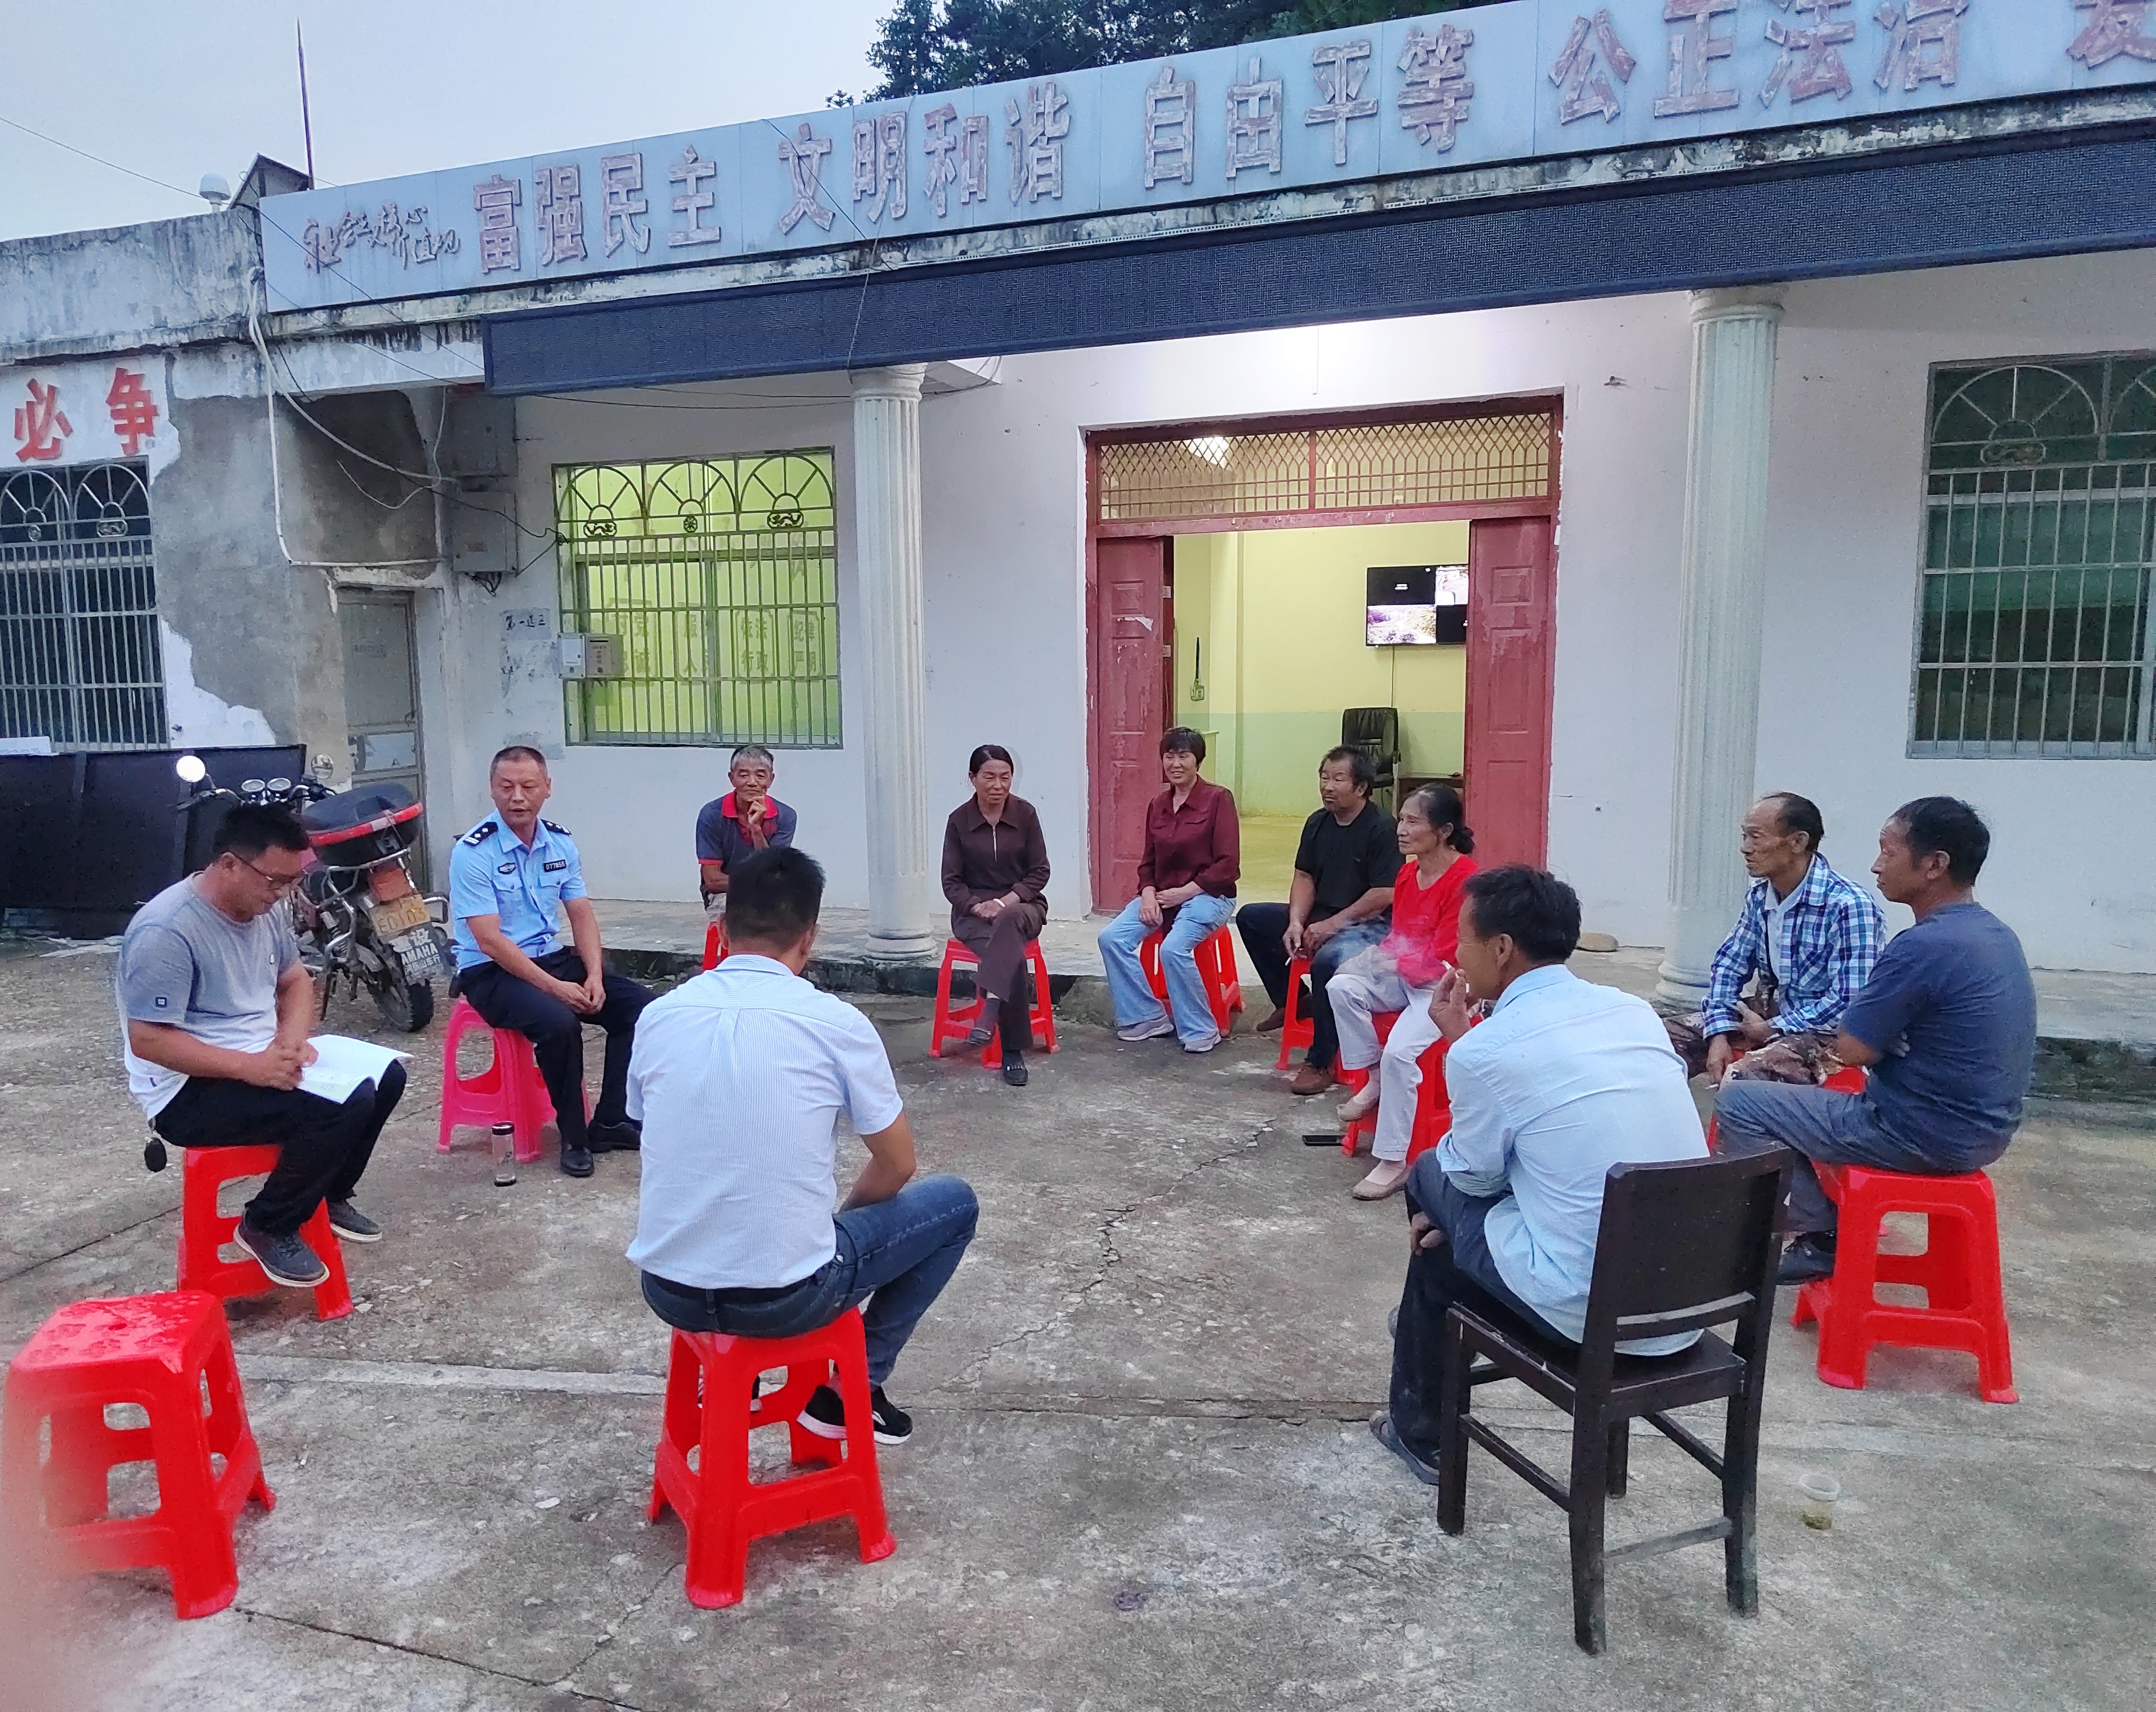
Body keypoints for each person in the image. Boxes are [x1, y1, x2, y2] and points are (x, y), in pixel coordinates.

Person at [627, 847, 980, 1446]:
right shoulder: (835, 1024)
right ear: (810, 938)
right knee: (955, 1204)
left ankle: (739, 1384)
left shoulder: (659, 1016)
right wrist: (833, 1232)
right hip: (786, 1298)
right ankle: (853, 1389)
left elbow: (651, 1128)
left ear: (722, 929)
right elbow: (898, 1164)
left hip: (669, 1289)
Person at [1369, 867, 1707, 1486]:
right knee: (1462, 1221)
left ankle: (1421, 1432)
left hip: (1591, 1314)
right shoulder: (1632, 1011)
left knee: (1429, 1174)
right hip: (1689, 1301)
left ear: (1501, 948)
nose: (1454, 955)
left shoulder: (1486, 1049)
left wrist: (1461, 1044)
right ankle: (1431, 1304)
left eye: (1463, 940)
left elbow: (1472, 1181)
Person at [1716, 798, 2036, 1286]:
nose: (1876, 865)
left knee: (1741, 1100)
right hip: (1984, 1132)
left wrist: (1869, 1038)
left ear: (1934, 865)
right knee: (1781, 1088)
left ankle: (1820, 1235)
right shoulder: (1993, 933)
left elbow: (1853, 1049)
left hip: (1915, 1131)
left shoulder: (1921, 945)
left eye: (1888, 851)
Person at [116, 803, 401, 1289]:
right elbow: (148, 1040)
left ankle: (327, 1194)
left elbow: (296, 980)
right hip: (187, 1090)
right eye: (275, 881)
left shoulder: (261, 908)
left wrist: (291, 1041)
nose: (283, 893)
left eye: (293, 881)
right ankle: (268, 1223)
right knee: (343, 1106)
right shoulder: (167, 931)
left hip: (259, 1056)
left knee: (387, 1075)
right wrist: (251, 1068)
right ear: (230, 864)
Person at [451, 745, 654, 1179]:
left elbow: (580, 912)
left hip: (551, 957)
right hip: (491, 972)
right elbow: (489, 940)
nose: (517, 797)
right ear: (492, 789)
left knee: (642, 1008)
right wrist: (556, 989)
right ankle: (575, 1139)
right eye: (507, 787)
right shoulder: (473, 852)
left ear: (547, 788)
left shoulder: (559, 842)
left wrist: (594, 974)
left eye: (528, 786)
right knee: (559, 1024)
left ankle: (611, 1121)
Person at [1664, 793, 1883, 1087]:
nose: (1745, 848)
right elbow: (1729, 966)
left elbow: (1848, 1001)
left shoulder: (1850, 906)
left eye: (1756, 837)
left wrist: (1773, 1029)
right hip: (1767, 1016)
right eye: (1744, 836)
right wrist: (1719, 1032)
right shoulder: (1760, 896)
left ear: (1798, 842)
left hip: (1825, 1034)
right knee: (1655, 1041)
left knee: (1742, 1079)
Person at [1326, 786, 1479, 1201]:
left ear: (1444, 831)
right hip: (1409, 977)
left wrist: (1389, 962)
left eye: (1413, 821)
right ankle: (1373, 1078)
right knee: (1342, 985)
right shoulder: (1408, 874)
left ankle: (1394, 1161)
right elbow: (1401, 937)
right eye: (1402, 819)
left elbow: (1445, 953)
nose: (1402, 829)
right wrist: (1373, 958)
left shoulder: (1466, 880)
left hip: (1447, 987)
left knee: (1400, 1053)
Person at [1235, 747, 1397, 1094]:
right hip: (1323, 914)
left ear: (1361, 787)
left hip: (1370, 924)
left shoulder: (1382, 828)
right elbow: (1304, 876)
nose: (1328, 786)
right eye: (1324, 777)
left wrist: (1333, 925)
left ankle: (1321, 1061)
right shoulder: (1317, 822)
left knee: (1327, 961)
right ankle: (1294, 1002)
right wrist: (1296, 921)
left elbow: (1384, 893)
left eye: (1338, 779)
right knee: (1253, 919)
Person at [1097, 727, 1241, 1054]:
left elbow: (1228, 865)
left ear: (1198, 761)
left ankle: (1201, 1027)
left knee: (1172, 949)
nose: (1176, 764)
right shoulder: (1158, 805)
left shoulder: (1218, 799)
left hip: (1209, 895)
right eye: (1169, 756)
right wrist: (1147, 893)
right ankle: (1147, 1016)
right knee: (1112, 939)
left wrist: (1185, 892)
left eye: (1184, 756)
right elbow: (1148, 861)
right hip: (1161, 896)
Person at [941, 744, 1052, 1089]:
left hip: (1022, 905)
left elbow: (1040, 872)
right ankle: (1012, 1051)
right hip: (973, 913)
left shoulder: (1025, 814)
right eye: (989, 777)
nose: (998, 785)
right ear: (972, 778)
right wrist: (977, 906)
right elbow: (951, 882)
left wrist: (1004, 902)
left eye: (1005, 777)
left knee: (1010, 924)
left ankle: (989, 1015)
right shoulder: (959, 821)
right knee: (1009, 954)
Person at [695, 744, 796, 918]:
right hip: (726, 891)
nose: (752, 782)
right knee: (734, 918)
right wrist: (762, 884)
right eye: (743, 775)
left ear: (771, 780)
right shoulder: (711, 814)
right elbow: (713, 881)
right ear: (732, 778)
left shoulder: (786, 816)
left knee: (793, 915)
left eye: (760, 775)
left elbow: (773, 868)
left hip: (767, 892)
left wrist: (756, 829)